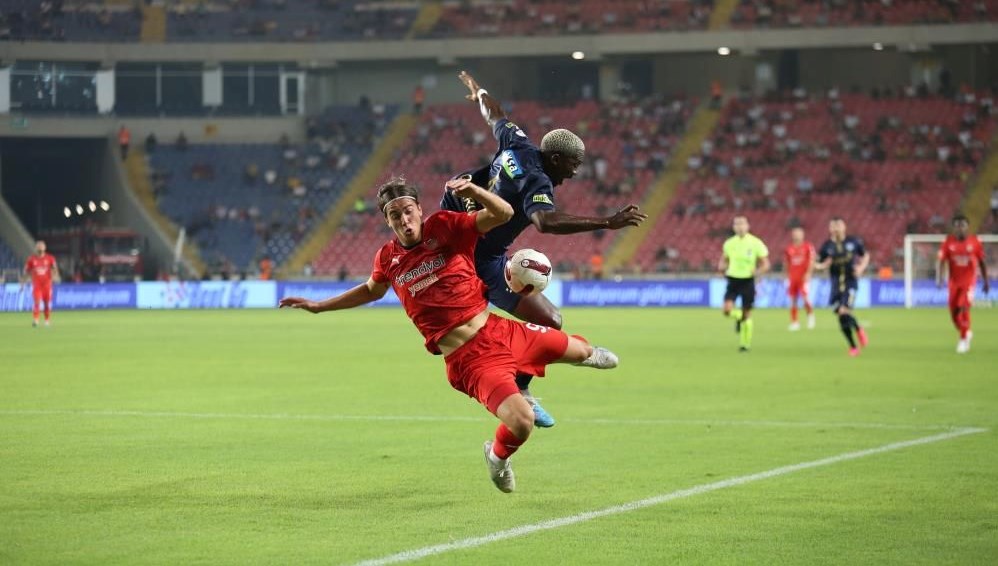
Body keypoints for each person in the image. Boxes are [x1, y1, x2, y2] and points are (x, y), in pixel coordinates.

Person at [279, 177, 618, 493]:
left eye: (408, 211)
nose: (404, 220)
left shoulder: (445, 226)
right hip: (471, 361)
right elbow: (371, 290)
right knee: (522, 422)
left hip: (499, 329)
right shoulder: (387, 259)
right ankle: (497, 457)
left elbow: (504, 214)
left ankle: (573, 359)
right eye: (395, 215)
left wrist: (474, 192)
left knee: (586, 353)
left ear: (419, 209)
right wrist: (319, 306)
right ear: (387, 220)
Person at [440, 70, 646, 427]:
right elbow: (545, 222)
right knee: (472, 336)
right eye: (573, 164)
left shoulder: (517, 142)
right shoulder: (537, 179)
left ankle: (523, 389)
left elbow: (495, 115)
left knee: (551, 320)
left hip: (488, 257)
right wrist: (606, 222)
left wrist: (480, 92)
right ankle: (524, 386)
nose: (575, 172)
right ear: (555, 158)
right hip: (461, 258)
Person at [814, 217, 870, 357]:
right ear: (830, 229)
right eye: (833, 226)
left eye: (838, 225)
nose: (836, 229)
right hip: (835, 286)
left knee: (843, 311)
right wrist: (821, 265)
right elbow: (817, 264)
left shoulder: (853, 242)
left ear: (844, 227)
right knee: (841, 316)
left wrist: (861, 268)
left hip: (850, 283)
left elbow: (865, 255)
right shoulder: (827, 246)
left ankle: (854, 344)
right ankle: (856, 333)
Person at [936, 213, 990, 353]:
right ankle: (965, 331)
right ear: (954, 228)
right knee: (954, 314)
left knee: (964, 308)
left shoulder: (975, 242)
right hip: (954, 284)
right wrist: (940, 278)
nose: (960, 228)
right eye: (957, 226)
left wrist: (986, 281)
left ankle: (963, 340)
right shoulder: (948, 243)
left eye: (963, 226)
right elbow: (941, 261)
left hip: (968, 283)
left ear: (967, 227)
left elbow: (982, 262)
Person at [718, 216, 770, 352]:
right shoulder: (729, 243)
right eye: (737, 224)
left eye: (742, 224)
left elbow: (766, 264)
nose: (740, 227)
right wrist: (721, 269)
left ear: (747, 226)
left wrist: (758, 272)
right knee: (726, 310)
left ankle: (744, 345)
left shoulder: (755, 242)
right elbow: (724, 260)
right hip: (733, 279)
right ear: (733, 227)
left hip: (748, 280)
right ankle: (739, 317)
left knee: (747, 313)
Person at [784, 226, 816, 331]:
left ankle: (810, 316)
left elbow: (811, 261)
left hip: (803, 278)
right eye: (795, 234)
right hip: (793, 278)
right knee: (793, 300)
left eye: (798, 234)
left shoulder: (808, 247)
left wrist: (809, 273)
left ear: (803, 235)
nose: (796, 236)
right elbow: (787, 263)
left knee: (805, 298)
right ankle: (795, 322)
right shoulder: (789, 248)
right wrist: (787, 275)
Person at [23, 240, 59, 327]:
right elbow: (26, 270)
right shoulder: (31, 259)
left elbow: (55, 269)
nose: (40, 247)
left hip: (47, 285)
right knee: (37, 302)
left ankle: (47, 320)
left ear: (45, 248)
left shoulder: (50, 258)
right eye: (38, 246)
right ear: (36, 248)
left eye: (41, 246)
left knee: (46, 303)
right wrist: (24, 280)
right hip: (37, 285)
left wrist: (54, 276)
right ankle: (36, 320)